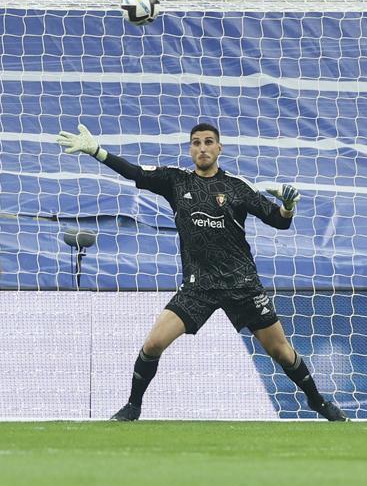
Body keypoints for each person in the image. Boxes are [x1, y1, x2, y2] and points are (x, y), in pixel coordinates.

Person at [57, 122, 346, 422]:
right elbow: (136, 174)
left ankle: (319, 403)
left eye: (209, 142)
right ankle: (133, 406)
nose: (202, 148)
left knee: (282, 353)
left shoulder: (236, 186)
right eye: (196, 143)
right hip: (198, 286)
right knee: (153, 343)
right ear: (190, 149)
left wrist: (287, 206)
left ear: (219, 148)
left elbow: (279, 221)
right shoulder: (176, 181)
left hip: (242, 284)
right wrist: (97, 152)